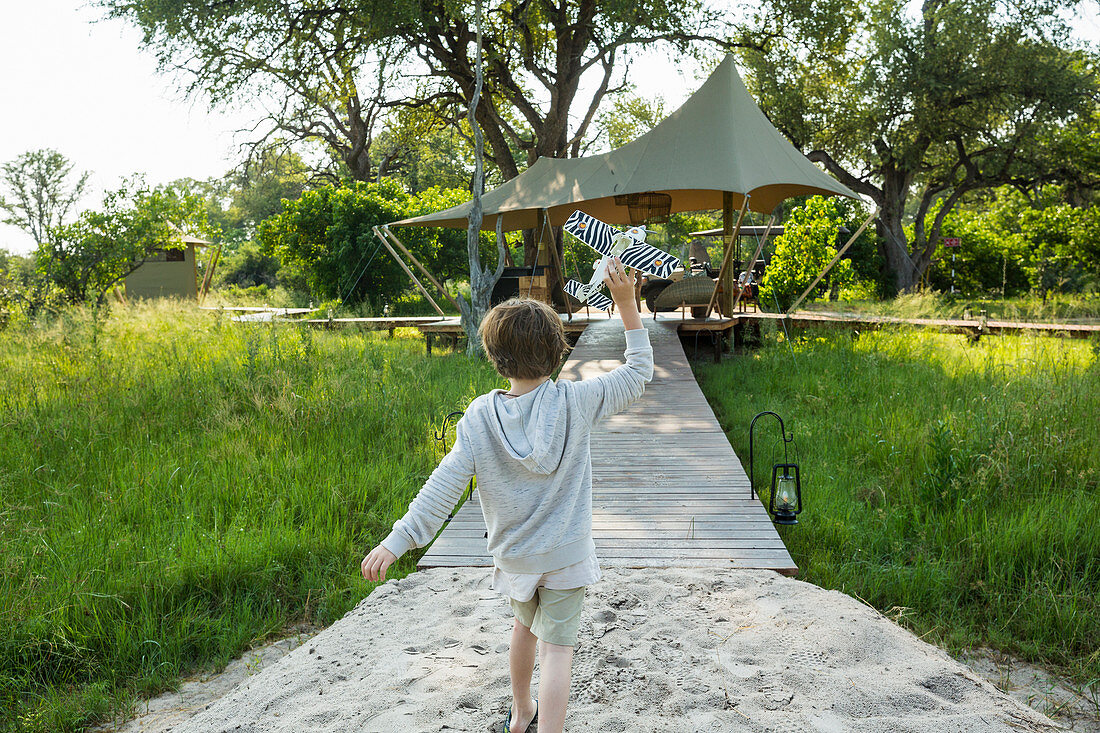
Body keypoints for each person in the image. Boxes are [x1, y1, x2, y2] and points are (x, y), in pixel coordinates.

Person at [361, 256, 654, 733]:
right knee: (558, 651)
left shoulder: (478, 417)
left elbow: (445, 484)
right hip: (565, 556)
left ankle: (521, 716)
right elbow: (639, 371)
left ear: (494, 358)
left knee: (524, 629)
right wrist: (626, 305)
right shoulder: (575, 401)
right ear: (558, 353)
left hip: (516, 557)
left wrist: (398, 541)